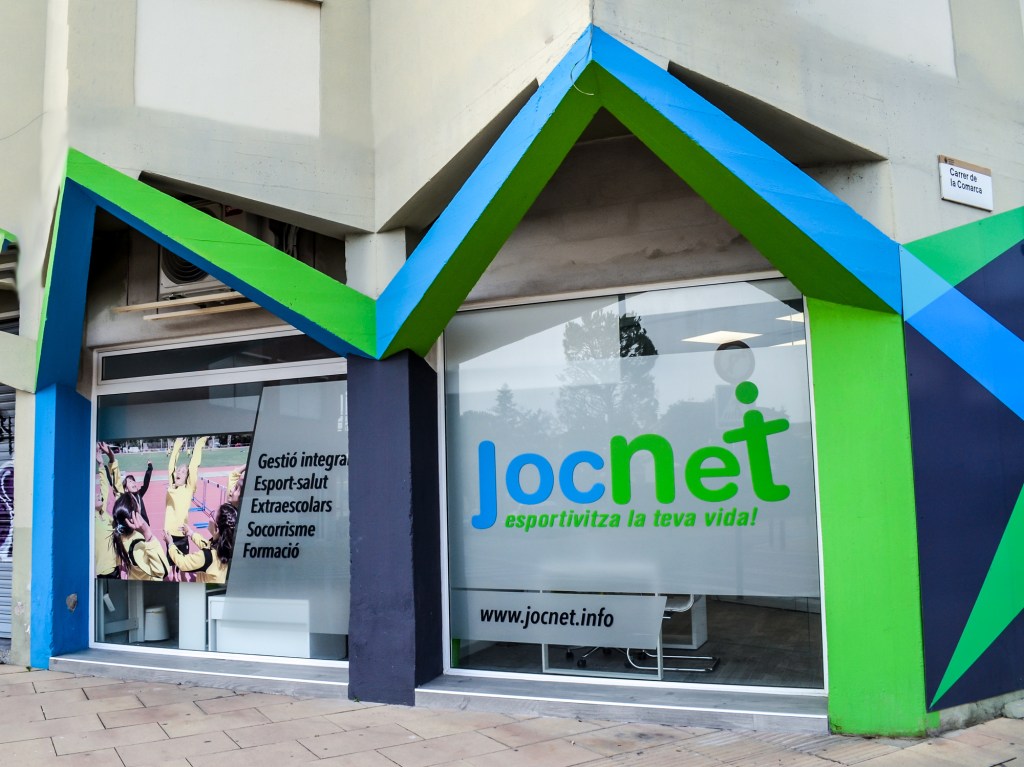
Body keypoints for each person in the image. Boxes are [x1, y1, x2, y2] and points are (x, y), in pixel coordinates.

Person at [160, 503, 238, 584]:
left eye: (212, 515)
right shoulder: (226, 547)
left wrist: (170, 544)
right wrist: (191, 533)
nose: (209, 517)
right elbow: (206, 544)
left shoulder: (207, 557)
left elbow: (183, 563)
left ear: (216, 529)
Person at [164, 436, 209, 556]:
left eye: (183, 472)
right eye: (178, 470)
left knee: (182, 561)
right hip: (169, 534)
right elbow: (171, 466)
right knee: (171, 562)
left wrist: (200, 442)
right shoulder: (172, 486)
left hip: (182, 533)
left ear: (187, 478)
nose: (179, 472)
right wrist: (178, 444)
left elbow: (193, 467)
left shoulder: (189, 489)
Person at [110, 495, 170, 581]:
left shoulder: (120, 534)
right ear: (135, 514)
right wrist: (148, 534)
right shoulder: (138, 543)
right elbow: (163, 571)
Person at [94, 447, 119, 579]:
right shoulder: (90, 520)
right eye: (95, 496)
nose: (99, 495)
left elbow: (104, 488)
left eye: (99, 495)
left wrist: (101, 464)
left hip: (115, 566)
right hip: (103, 571)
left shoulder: (103, 512)